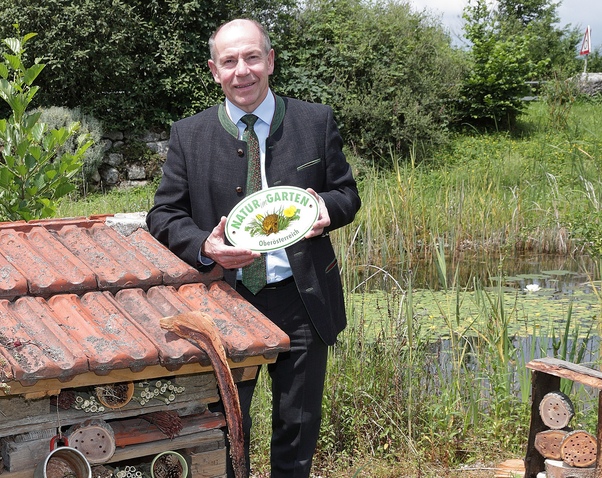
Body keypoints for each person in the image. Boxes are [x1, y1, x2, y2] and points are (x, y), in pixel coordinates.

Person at [146, 18, 361, 478]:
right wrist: (206, 245)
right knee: (225, 429)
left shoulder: (315, 121)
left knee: (297, 429)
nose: (241, 71)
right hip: (224, 303)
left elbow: (347, 194)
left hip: (302, 301)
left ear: (270, 61)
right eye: (229, 61)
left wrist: (326, 209)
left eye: (251, 57)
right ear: (214, 70)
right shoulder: (189, 134)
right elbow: (162, 216)